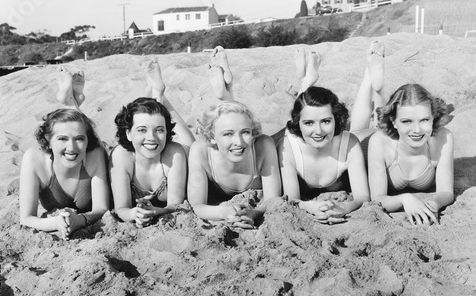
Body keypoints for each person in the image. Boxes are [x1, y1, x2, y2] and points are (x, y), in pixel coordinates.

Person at [350, 41, 454, 225]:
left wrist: (433, 203)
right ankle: (369, 76)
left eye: (424, 120)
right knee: (355, 132)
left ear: (433, 117)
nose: (417, 130)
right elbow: (378, 198)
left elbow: (446, 192)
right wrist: (405, 199)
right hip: (364, 143)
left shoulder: (443, 138)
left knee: (383, 122)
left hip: (391, 133)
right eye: (407, 121)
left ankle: (377, 83)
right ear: (395, 122)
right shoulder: (378, 142)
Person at [188, 47, 282, 229]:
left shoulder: (263, 144)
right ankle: (225, 95)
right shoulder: (200, 150)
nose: (239, 142)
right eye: (228, 134)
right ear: (212, 138)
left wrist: (253, 213)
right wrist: (223, 212)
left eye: (245, 132)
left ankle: (226, 95)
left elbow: (272, 200)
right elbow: (196, 205)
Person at [276, 48, 371, 224]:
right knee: (295, 120)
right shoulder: (287, 147)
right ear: (300, 124)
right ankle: (306, 81)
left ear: (336, 119)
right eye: (309, 124)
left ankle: (309, 79)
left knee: (360, 131)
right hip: (293, 139)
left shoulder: (349, 143)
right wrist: (310, 206)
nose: (318, 131)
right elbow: (292, 199)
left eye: (326, 121)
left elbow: (362, 196)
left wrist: (344, 207)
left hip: (332, 139)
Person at [19, 67, 110, 240]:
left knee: (96, 142)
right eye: (61, 139)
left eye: (79, 139)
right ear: (48, 140)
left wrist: (80, 220)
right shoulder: (34, 159)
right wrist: (55, 223)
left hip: (94, 156)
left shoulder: (95, 155)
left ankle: (70, 103)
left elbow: (101, 209)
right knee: (76, 129)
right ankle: (71, 102)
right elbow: (25, 218)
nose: (71, 147)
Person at [109, 57, 195, 227]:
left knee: (193, 148)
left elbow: (176, 205)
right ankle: (158, 95)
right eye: (141, 130)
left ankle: (160, 96)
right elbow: (121, 208)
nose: (152, 137)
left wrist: (155, 211)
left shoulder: (175, 153)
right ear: (128, 133)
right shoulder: (120, 156)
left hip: (179, 152)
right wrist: (135, 213)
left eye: (160, 130)